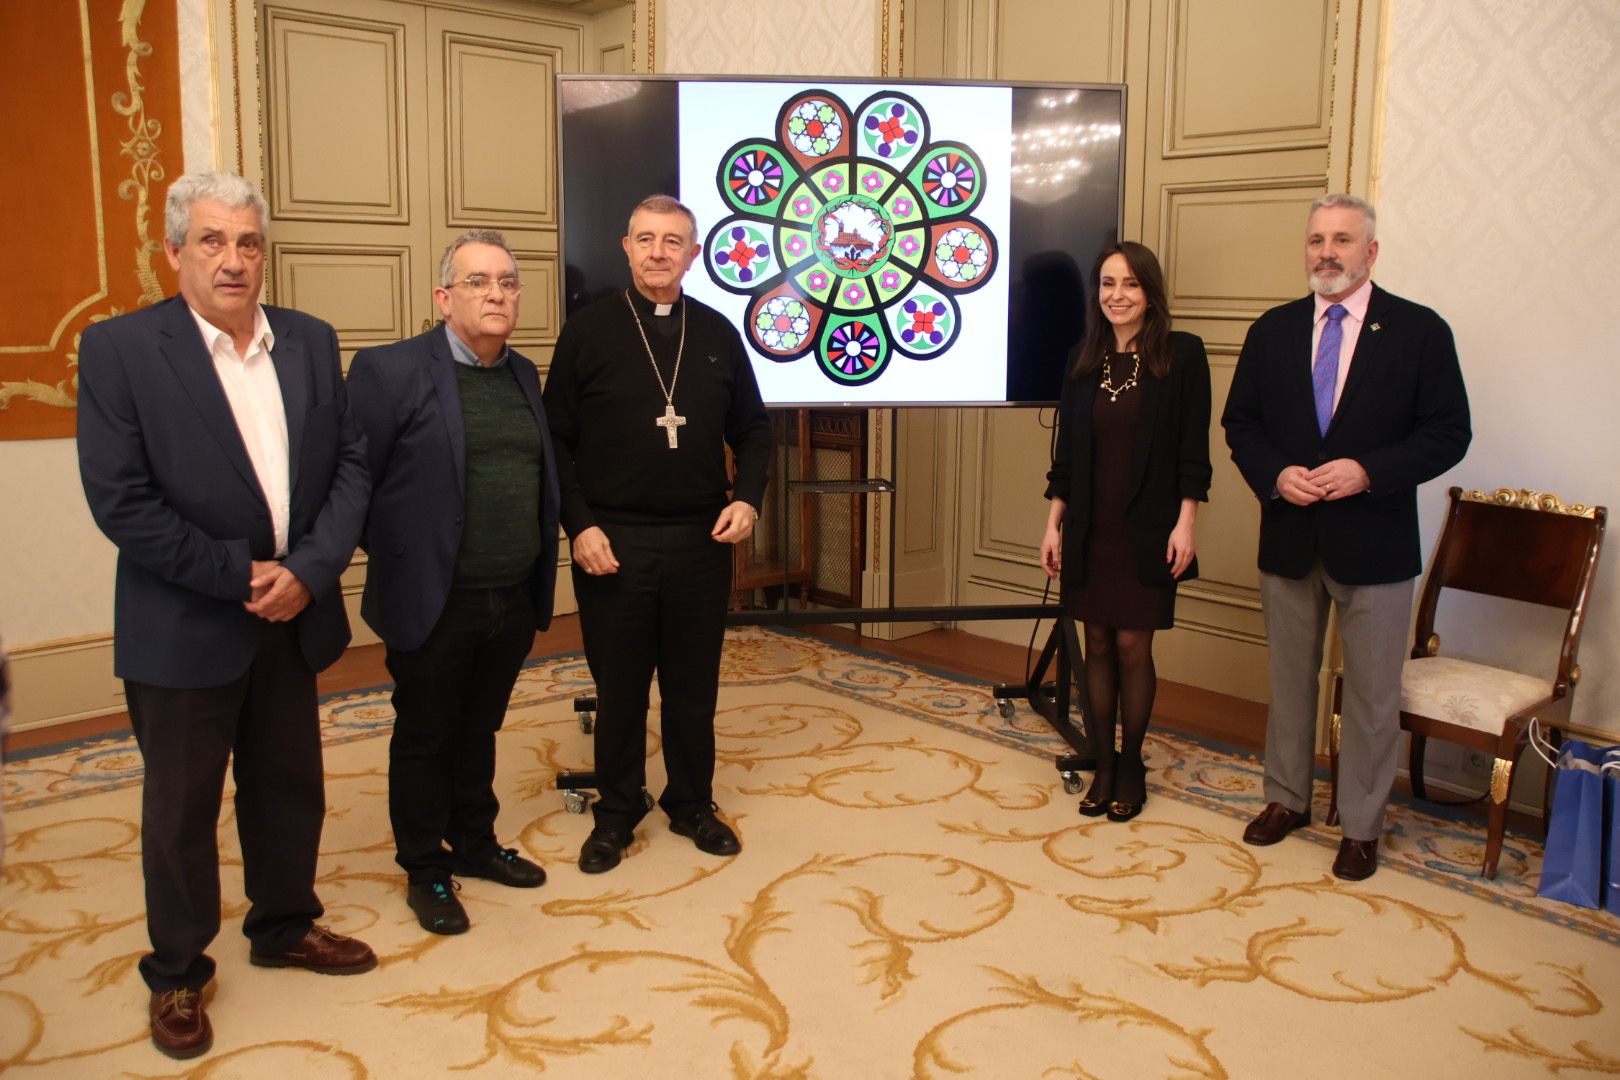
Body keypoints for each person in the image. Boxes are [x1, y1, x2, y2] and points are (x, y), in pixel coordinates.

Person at [76, 171, 375, 1060]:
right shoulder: (121, 350)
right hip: (184, 624)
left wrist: (311, 571)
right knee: (181, 809)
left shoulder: (313, 344)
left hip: (294, 615)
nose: (233, 260)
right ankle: (177, 969)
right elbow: (121, 501)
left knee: (290, 787)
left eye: (247, 242)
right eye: (212, 241)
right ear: (173, 252)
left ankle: (284, 925)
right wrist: (242, 576)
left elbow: (352, 468)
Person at [1221, 193, 1470, 881]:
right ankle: (1286, 800)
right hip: (1291, 536)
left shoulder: (1420, 332)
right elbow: (1240, 424)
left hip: (1378, 546)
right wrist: (1275, 475)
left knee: (1369, 694)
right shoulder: (1271, 330)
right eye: (1315, 239)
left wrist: (1369, 471)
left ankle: (1361, 826)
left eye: (1341, 240)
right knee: (1290, 682)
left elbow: (1449, 432)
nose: (1325, 252)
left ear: (1371, 252)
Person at [543, 194, 770, 875]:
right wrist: (578, 525)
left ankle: (692, 803)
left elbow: (755, 430)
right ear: (625, 246)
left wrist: (750, 500)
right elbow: (554, 440)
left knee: (693, 687)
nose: (658, 252)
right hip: (613, 543)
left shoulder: (718, 333)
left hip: (701, 540)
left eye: (674, 241)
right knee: (619, 689)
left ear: (694, 254)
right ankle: (615, 812)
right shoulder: (587, 332)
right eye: (646, 239)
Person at [347, 230, 561, 935]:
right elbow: (356, 484)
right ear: (444, 298)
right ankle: (425, 867)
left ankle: (474, 842)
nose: (496, 294)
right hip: (436, 599)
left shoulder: (525, 373)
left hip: (509, 591)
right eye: (477, 282)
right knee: (426, 735)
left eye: (507, 282)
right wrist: (406, 562)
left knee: (481, 727)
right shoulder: (388, 371)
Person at [1040, 241, 1212, 823]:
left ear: (1150, 292)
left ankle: (1132, 763)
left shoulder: (1181, 356)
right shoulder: (1081, 359)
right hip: (1091, 526)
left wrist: (1187, 524)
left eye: (1131, 284)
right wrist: (1053, 524)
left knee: (1135, 646)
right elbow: (1065, 454)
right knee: (1099, 645)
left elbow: (1194, 451)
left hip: (1150, 527)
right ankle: (1104, 762)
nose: (1118, 295)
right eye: (1108, 284)